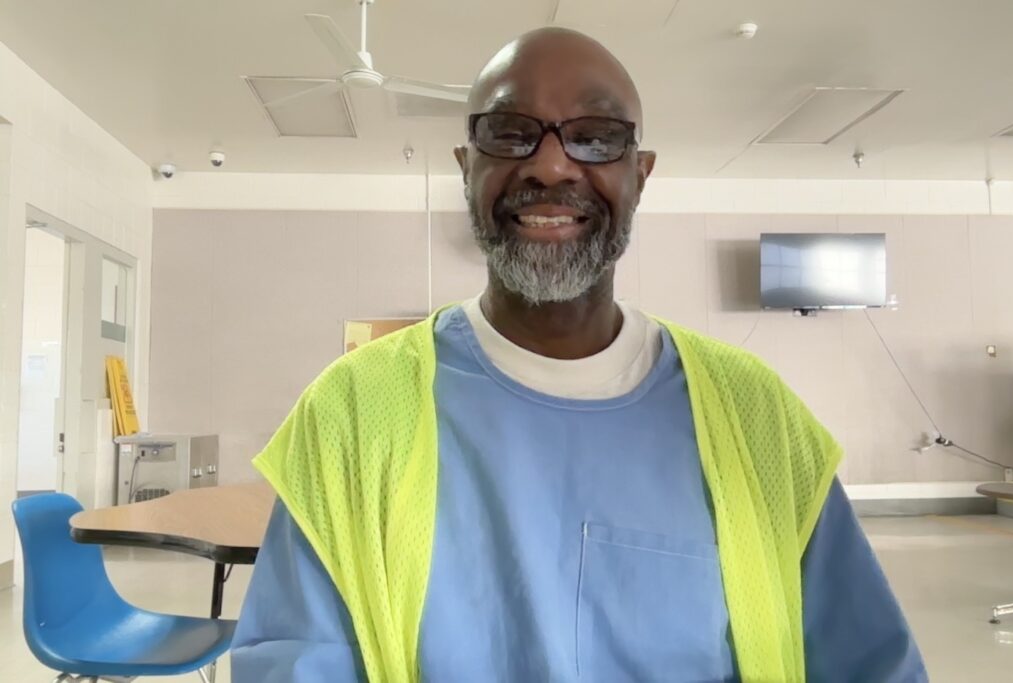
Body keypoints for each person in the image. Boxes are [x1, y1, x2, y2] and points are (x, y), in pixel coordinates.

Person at [231, 27, 927, 683]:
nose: (552, 163)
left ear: (641, 174)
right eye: (510, 134)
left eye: (595, 137)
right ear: (465, 166)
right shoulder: (352, 414)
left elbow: (867, 661)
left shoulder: (758, 419)